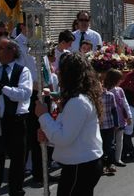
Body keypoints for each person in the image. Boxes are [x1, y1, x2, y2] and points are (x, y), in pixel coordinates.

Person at [35, 53, 104, 196]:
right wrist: (48, 136)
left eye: (61, 69)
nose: (58, 72)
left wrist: (43, 116)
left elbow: (64, 137)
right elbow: (69, 132)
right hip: (79, 164)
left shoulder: (78, 101)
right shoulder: (77, 98)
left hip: (80, 165)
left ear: (69, 74)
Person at [0, 38, 33, 196]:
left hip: (15, 121)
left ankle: (16, 190)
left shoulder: (23, 71)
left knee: (17, 159)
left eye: (0, 49)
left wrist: (3, 88)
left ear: (11, 51)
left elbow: (24, 94)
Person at [103, 69, 133, 167]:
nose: (121, 81)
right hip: (108, 120)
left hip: (120, 119)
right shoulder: (105, 91)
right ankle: (108, 161)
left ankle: (118, 159)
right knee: (109, 142)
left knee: (119, 139)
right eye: (120, 79)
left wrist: (129, 116)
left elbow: (125, 103)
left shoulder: (120, 90)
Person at [99, 79, 118, 175]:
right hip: (99, 126)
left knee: (110, 145)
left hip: (109, 124)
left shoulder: (110, 95)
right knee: (100, 146)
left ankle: (111, 164)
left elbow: (114, 110)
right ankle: (102, 165)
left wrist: (116, 123)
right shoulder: (93, 97)